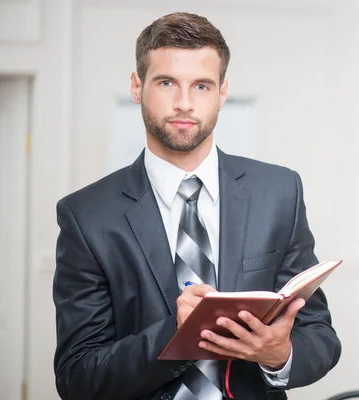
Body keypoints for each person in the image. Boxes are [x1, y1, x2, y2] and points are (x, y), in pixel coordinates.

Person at [52, 11, 341, 400]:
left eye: (202, 86)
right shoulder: (86, 216)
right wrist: (176, 332)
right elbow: (77, 377)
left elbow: (321, 337)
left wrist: (279, 355)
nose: (184, 103)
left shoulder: (279, 192)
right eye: (167, 82)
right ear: (137, 87)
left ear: (222, 92)